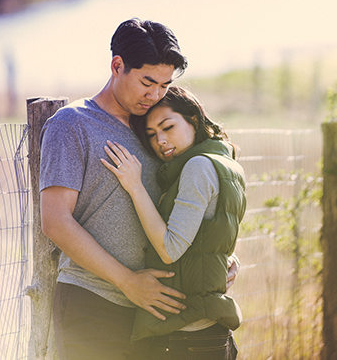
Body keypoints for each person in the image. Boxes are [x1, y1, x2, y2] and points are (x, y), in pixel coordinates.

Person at [39, 18, 239, 360]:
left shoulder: (156, 129)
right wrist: (128, 282)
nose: (156, 94)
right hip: (95, 303)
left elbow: (189, 202)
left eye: (164, 84)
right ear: (118, 65)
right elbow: (56, 221)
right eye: (148, 82)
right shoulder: (72, 125)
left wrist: (217, 255)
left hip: (156, 312)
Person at [101, 86, 246, 359]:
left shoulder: (197, 167)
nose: (161, 141)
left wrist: (135, 187)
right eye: (152, 135)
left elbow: (170, 249)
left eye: (168, 127)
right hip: (209, 334)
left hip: (187, 338)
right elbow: (212, 230)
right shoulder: (225, 163)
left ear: (193, 120)